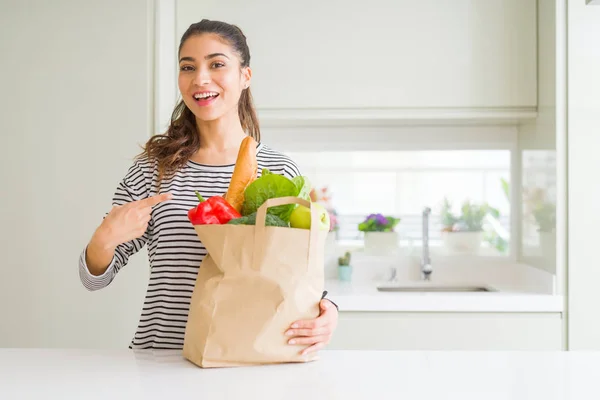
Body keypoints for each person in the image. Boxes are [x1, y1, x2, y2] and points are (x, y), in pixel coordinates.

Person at [78, 19, 338, 354]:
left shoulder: (278, 170)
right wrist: (104, 237)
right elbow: (94, 278)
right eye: (188, 67)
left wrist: (328, 310)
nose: (200, 78)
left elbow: (294, 267)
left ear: (245, 76)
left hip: (243, 359)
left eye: (216, 64)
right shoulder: (153, 169)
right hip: (161, 360)